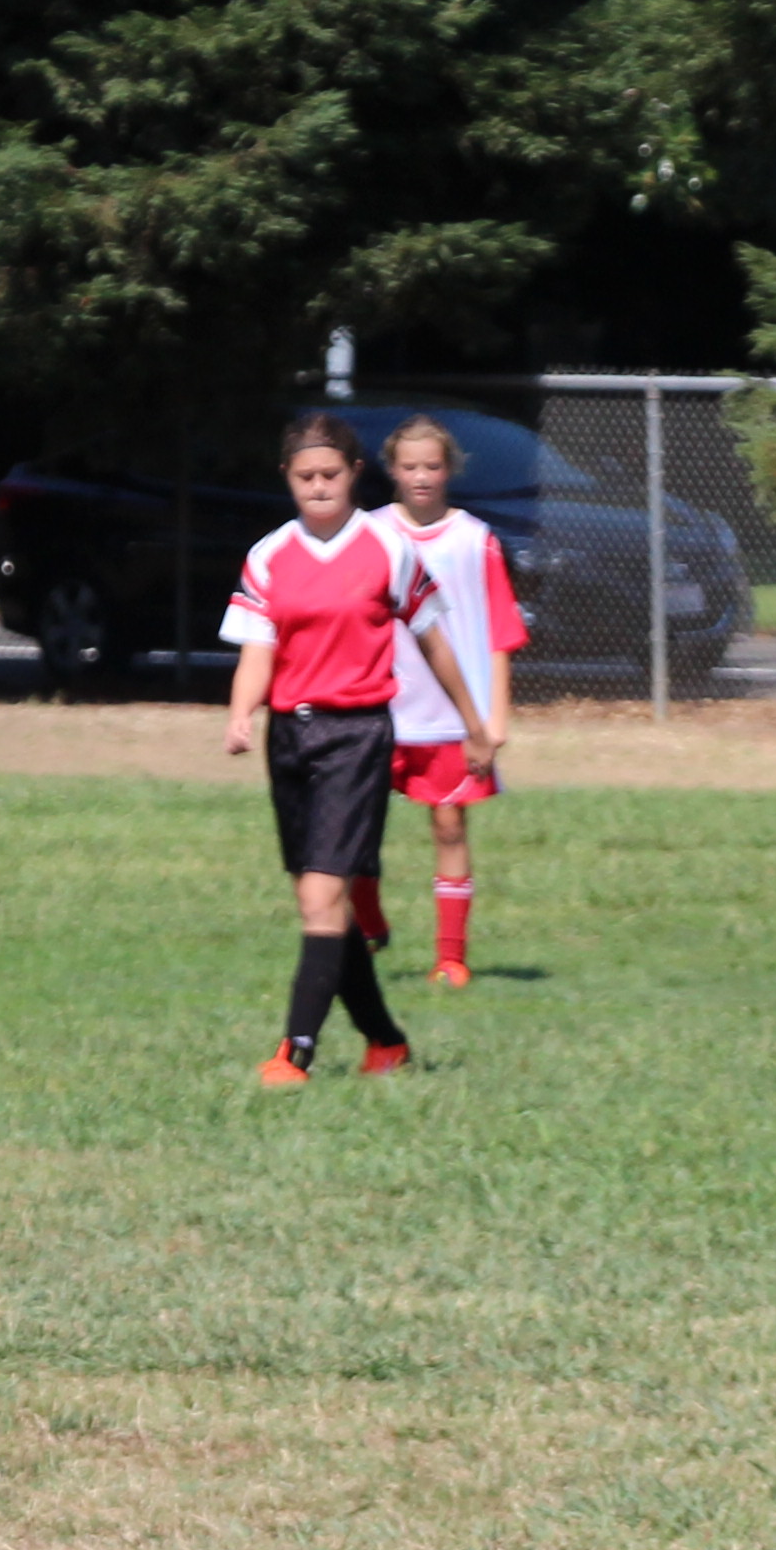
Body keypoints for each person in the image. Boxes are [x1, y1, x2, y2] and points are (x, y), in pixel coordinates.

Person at [219, 415, 465, 1084]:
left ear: (356, 473)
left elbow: (434, 639)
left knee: (323, 896)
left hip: (356, 737)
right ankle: (386, 1042)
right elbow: (258, 649)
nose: (319, 486)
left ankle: (294, 1051)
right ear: (287, 479)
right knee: (320, 902)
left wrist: (472, 719)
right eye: (305, 477)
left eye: (330, 474)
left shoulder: (388, 549)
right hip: (290, 738)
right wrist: (241, 715)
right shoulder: (269, 555)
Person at [357, 415, 523, 987]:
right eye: (410, 466)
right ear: (391, 470)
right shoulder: (370, 534)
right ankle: (369, 922)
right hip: (377, 708)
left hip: (452, 718)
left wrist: (494, 719)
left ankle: (451, 958)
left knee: (450, 827)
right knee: (355, 829)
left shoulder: (475, 540)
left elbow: (501, 633)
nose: (422, 476)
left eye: (432, 465)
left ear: (450, 469)